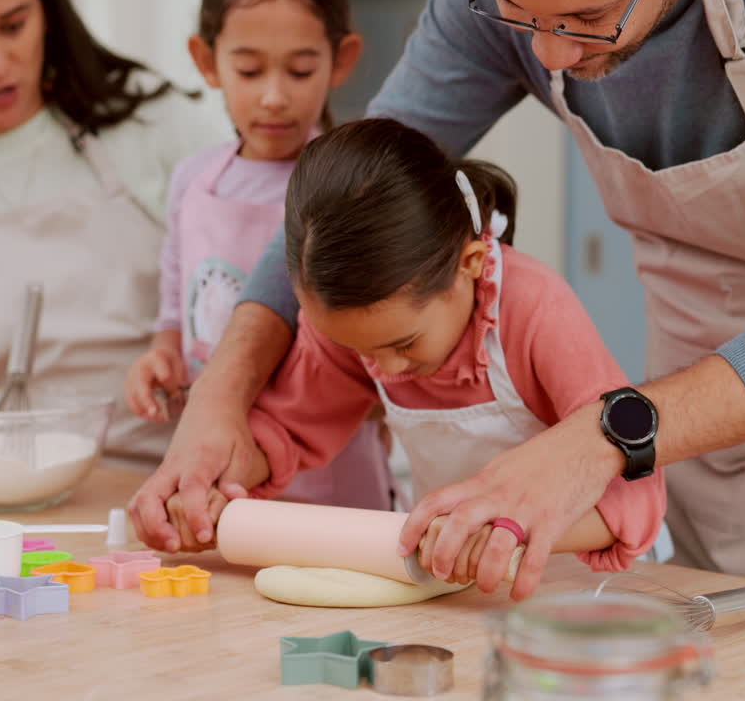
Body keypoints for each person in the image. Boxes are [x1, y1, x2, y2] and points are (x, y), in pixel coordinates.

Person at [132, 0, 745, 599]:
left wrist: (598, 439)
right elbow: (341, 205)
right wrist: (221, 402)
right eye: (522, 16)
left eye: (584, 19)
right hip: (686, 382)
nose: (548, 54)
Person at [153, 118, 665, 582]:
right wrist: (212, 489)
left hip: (582, 585)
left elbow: (636, 485)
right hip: (458, 586)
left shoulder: (535, 311)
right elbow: (288, 428)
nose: (385, 368)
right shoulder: (362, 327)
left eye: (404, 343)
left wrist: (506, 530)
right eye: (359, 349)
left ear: (469, 263)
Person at [0, 0, 229, 465]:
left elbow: (249, 283)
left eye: (14, 26)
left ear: (48, 13)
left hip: (175, 479)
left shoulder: (154, 123)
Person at [123, 0, 394, 518]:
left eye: (299, 71)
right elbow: (177, 311)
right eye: (249, 71)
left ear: (341, 61)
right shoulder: (193, 180)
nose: (273, 96)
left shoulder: (351, 187)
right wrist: (161, 356)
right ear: (206, 60)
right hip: (216, 471)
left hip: (331, 481)